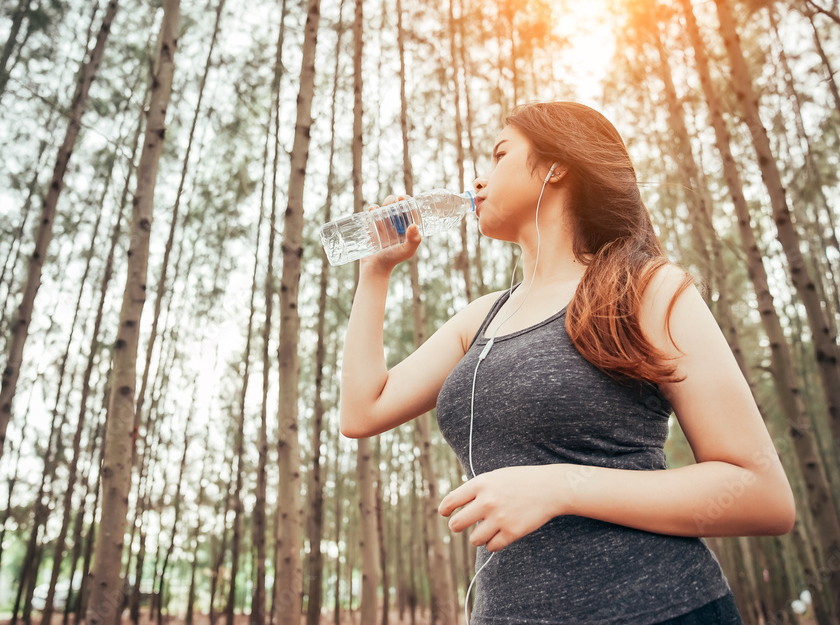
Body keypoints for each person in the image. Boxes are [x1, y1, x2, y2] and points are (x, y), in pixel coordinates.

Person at [339, 101, 795, 624]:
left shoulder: (644, 287)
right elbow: (362, 411)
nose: (478, 177)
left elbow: (762, 494)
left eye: (499, 154)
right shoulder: (480, 318)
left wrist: (559, 486)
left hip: (661, 610)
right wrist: (375, 271)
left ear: (556, 167)